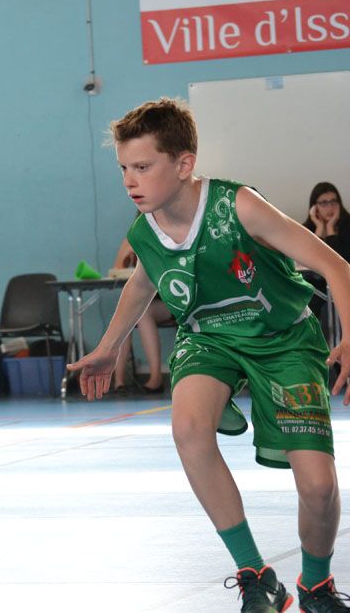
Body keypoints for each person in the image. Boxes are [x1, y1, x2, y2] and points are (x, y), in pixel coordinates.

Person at [69, 98, 350, 612]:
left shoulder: (239, 206)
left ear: (184, 164)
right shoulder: (145, 230)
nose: (130, 181)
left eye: (142, 167)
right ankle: (256, 576)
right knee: (188, 428)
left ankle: (316, 586)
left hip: (283, 339)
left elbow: (337, 266)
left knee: (318, 486)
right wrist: (108, 348)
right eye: (124, 169)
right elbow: (142, 284)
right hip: (209, 339)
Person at [109, 236, 172, 393]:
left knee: (143, 312)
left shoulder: (169, 236)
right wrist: (128, 255)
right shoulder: (133, 237)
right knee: (127, 315)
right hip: (146, 303)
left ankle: (156, 377)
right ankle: (119, 381)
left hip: (172, 301)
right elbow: (117, 271)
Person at [303, 182, 350, 262]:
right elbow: (309, 260)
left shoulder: (347, 225)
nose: (330, 208)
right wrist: (319, 228)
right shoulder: (305, 229)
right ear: (314, 207)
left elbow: (341, 261)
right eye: (324, 203)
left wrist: (330, 228)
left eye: (333, 201)